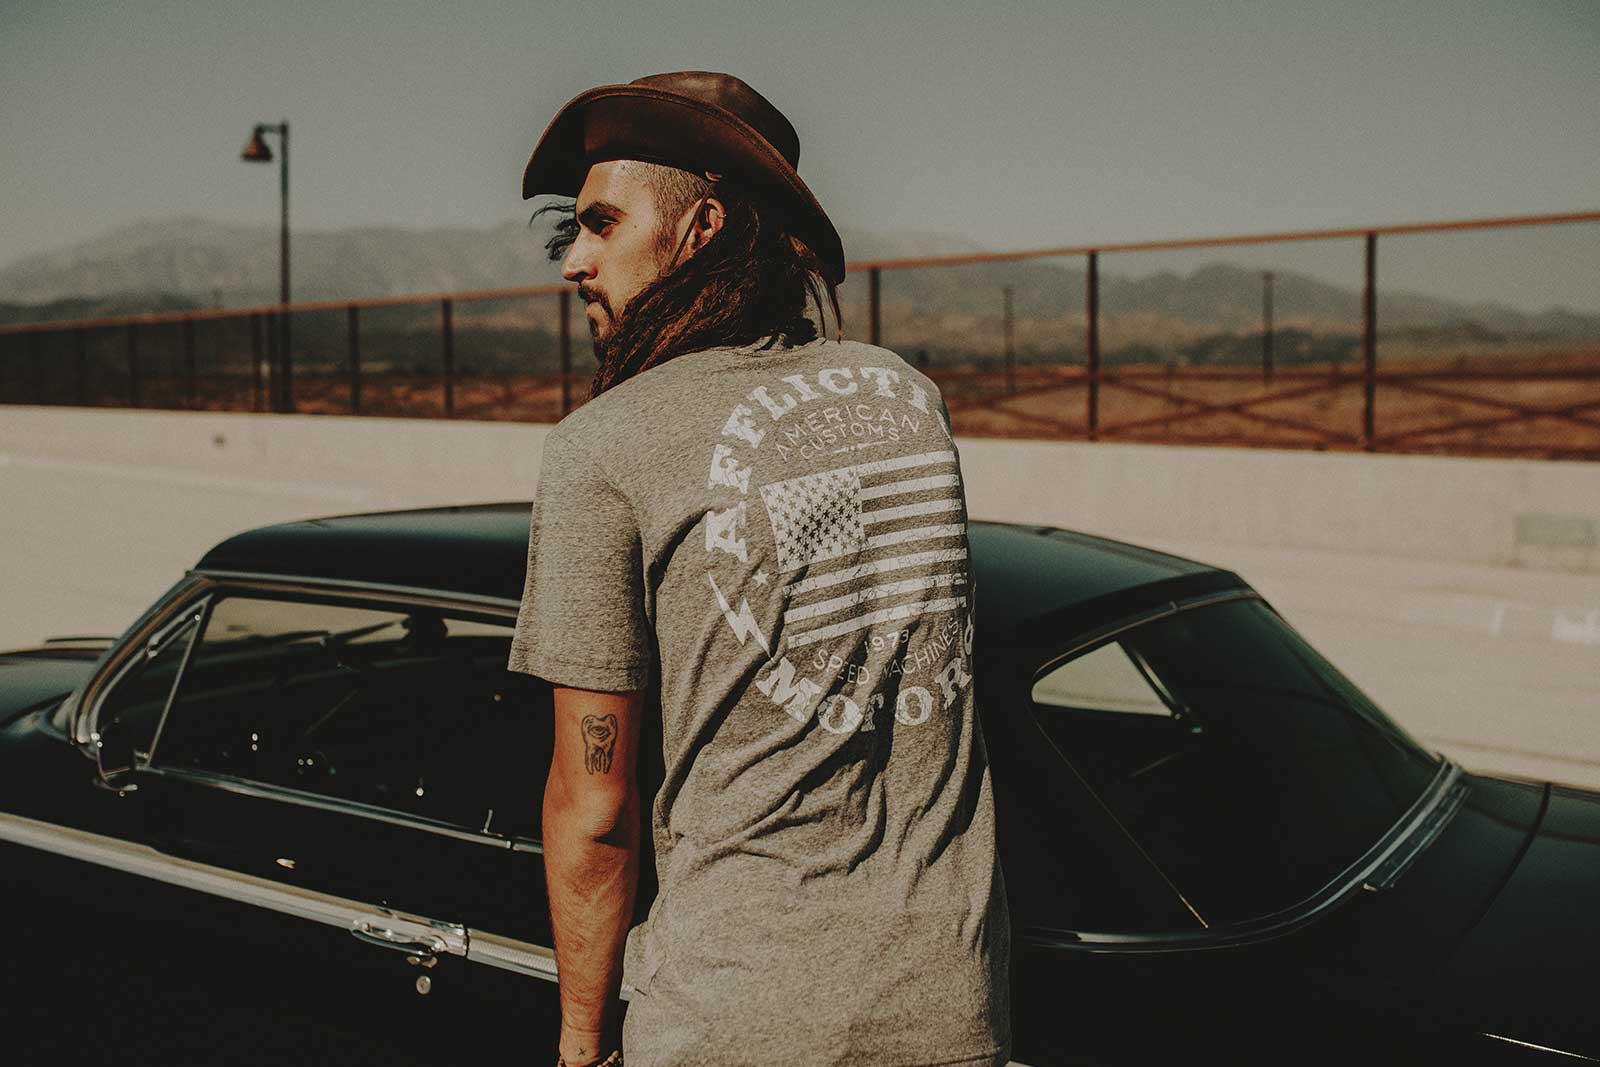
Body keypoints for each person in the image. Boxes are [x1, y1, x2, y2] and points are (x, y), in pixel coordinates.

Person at [507, 70, 1010, 1067]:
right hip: (951, 1002)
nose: (574, 261)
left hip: (734, 1019)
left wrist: (580, 1045)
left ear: (699, 231)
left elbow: (593, 807)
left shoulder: (599, 447)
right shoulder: (905, 396)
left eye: (602, 224)